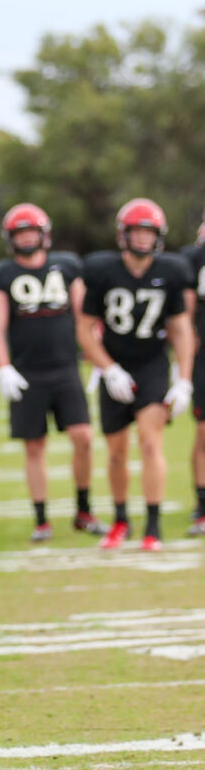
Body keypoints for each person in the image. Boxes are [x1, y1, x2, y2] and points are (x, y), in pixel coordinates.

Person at [77, 198, 195, 551]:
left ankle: (153, 526)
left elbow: (182, 328)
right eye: (136, 231)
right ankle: (121, 520)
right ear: (123, 235)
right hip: (114, 363)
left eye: (149, 232)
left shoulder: (172, 271)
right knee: (115, 452)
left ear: (158, 236)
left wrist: (184, 379)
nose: (143, 239)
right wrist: (107, 368)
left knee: (149, 442)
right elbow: (83, 328)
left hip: (152, 365)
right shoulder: (101, 271)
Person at [0, 203, 103, 542]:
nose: (26, 238)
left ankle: (83, 509)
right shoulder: (0, 275)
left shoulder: (66, 267)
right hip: (27, 371)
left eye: (31, 231)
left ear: (44, 234)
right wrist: (3, 367)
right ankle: (41, 519)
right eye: (20, 233)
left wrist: (100, 360)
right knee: (34, 446)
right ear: (11, 238)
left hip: (66, 368)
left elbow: (85, 317)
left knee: (84, 437)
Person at [181, 217, 205, 537]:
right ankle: (202, 504)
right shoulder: (193, 260)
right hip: (203, 357)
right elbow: (183, 315)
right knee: (204, 432)